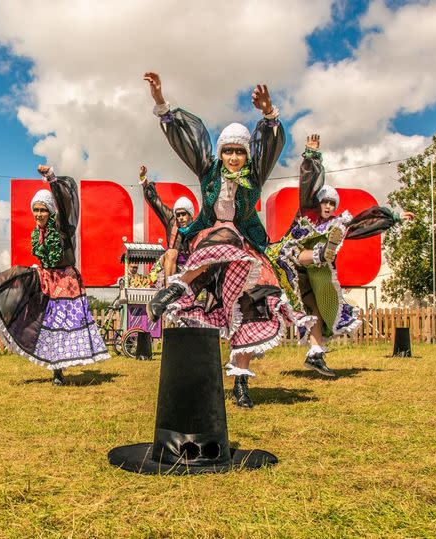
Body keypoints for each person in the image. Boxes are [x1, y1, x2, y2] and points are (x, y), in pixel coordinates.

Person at [143, 72, 314, 408]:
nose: (234, 157)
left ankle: (240, 386)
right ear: (220, 154)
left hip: (245, 248)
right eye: (229, 151)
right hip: (211, 243)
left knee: (250, 306)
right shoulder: (209, 173)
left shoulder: (254, 175)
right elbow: (187, 142)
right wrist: (161, 102)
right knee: (222, 235)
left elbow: (270, 147)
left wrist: (268, 116)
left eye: (239, 151)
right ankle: (178, 287)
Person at [268, 134, 414, 376]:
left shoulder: (338, 224)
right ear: (317, 202)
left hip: (308, 280)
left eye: (331, 204)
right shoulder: (306, 213)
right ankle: (322, 253)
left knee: (315, 311)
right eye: (324, 202)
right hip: (286, 262)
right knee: (296, 253)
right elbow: (307, 183)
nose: (327, 207)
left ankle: (315, 355)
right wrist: (311, 155)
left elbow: (364, 225)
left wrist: (394, 218)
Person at [0, 166, 110, 385]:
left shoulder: (62, 227)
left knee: (59, 326)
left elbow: (65, 205)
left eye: (43, 210)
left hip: (66, 282)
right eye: (36, 210)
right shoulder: (37, 233)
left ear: (51, 211)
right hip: (46, 276)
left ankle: (58, 372)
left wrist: (51, 179)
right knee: (20, 273)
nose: (38, 214)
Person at [139, 164, 194, 279]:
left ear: (190, 215)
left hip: (188, 268)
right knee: (172, 253)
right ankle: (169, 292)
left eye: (183, 214)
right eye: (178, 215)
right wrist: (144, 180)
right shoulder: (171, 219)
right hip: (169, 264)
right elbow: (155, 201)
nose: (180, 218)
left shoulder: (197, 228)